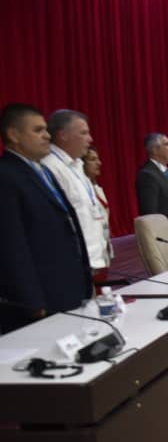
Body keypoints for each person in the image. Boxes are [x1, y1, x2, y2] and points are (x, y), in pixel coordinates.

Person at [0, 103, 92, 333]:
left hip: (67, 287)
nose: (47, 136)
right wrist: (31, 300)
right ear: (14, 135)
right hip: (41, 297)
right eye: (38, 130)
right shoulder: (6, 176)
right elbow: (11, 245)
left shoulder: (43, 171)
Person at [42, 109, 109, 273]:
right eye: (83, 133)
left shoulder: (78, 165)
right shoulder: (50, 167)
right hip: (73, 264)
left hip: (92, 260)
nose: (90, 139)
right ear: (63, 135)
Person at [82, 146, 113, 284]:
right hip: (92, 252)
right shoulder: (81, 190)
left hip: (103, 247)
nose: (99, 163)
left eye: (98, 159)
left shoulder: (96, 188)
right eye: (92, 159)